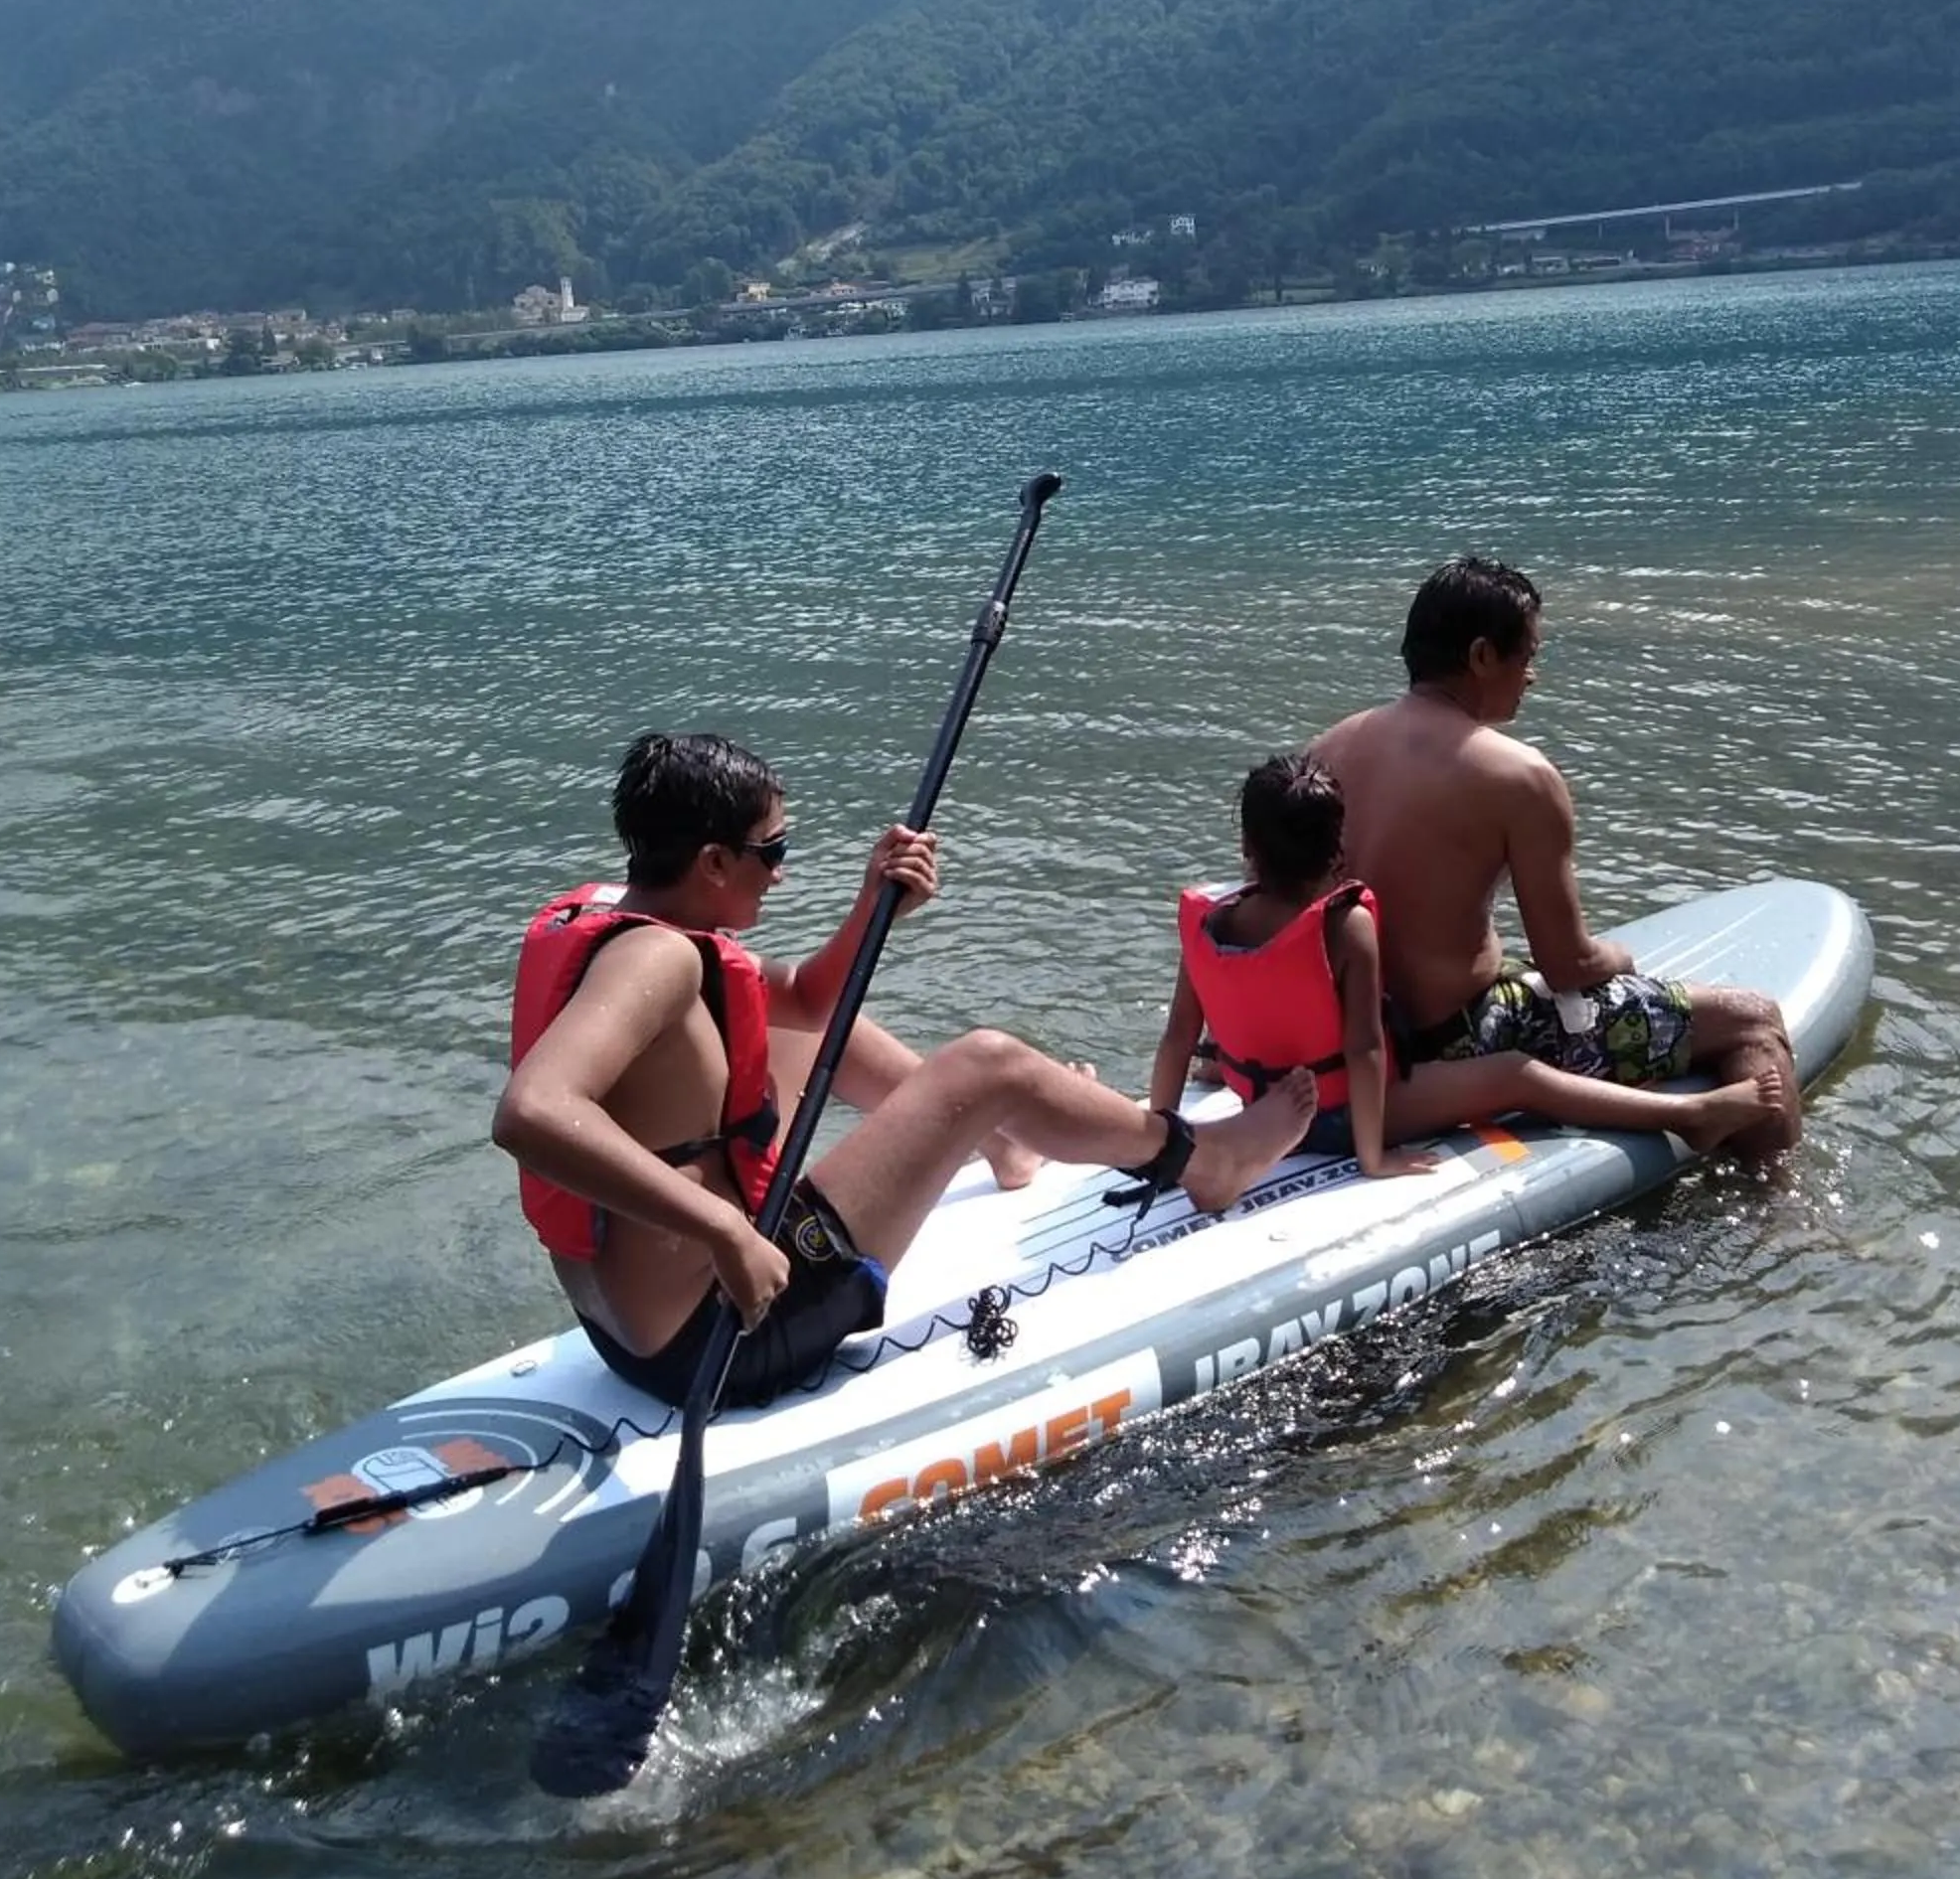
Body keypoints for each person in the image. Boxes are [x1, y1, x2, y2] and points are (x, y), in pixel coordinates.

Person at [492, 731, 1318, 1410]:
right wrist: (727, 1233)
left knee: (778, 1028)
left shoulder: (617, 913)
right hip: (724, 1333)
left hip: (629, 1338)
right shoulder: (659, 962)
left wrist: (873, 901)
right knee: (989, 1063)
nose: (781, 870)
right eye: (772, 850)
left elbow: (813, 1001)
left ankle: (1002, 1146)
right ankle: (1203, 1161)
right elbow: (531, 1113)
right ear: (712, 862)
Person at [1311, 558, 1802, 1156]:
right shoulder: (1518, 774)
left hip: (1338, 1038)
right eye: (1529, 656)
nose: (1532, 676)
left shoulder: (1323, 751)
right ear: (1483, 655)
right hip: (1451, 1042)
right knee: (1752, 1018)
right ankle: (1779, 1211)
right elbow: (1568, 964)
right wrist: (1619, 957)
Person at [1153, 752, 1784, 1201]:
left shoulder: (1213, 921)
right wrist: (1373, 1158)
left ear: (1247, 848)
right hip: (1336, 1122)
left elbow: (1179, 1037)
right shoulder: (1346, 926)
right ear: (1337, 850)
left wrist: (1159, 1134)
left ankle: (1160, 1137)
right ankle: (1690, 1115)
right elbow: (1366, 1050)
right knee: (1519, 1075)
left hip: (1261, 1106)